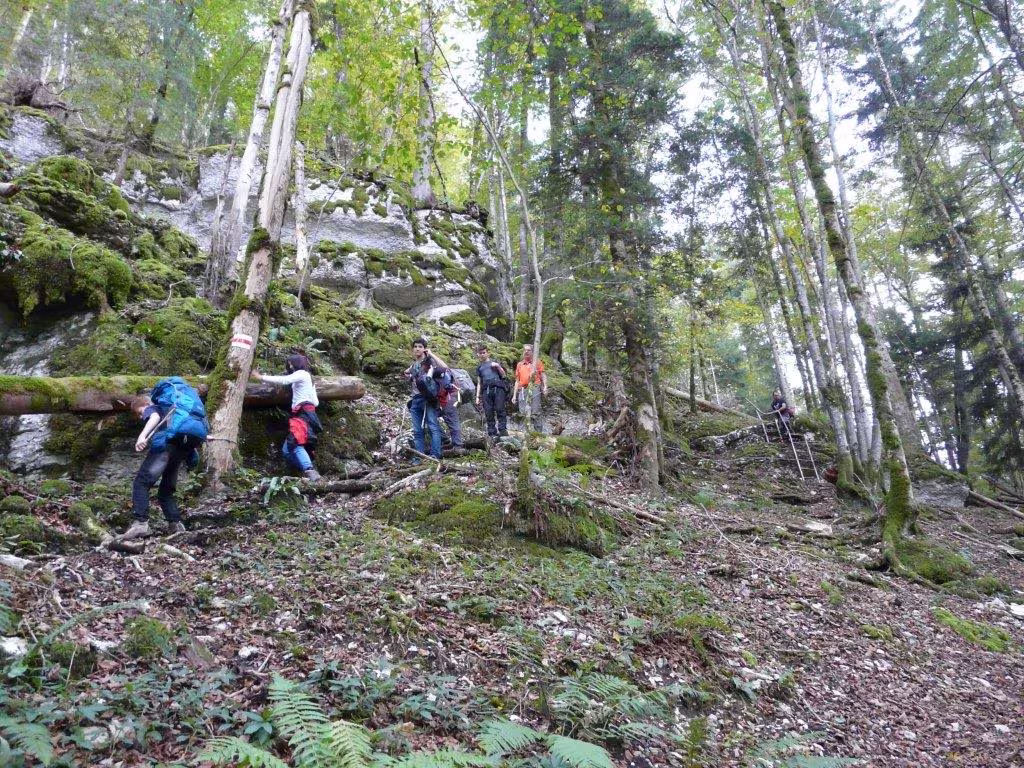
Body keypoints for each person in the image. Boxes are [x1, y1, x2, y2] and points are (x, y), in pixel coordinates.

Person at [122, 391, 204, 540]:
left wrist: (142, 436)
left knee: (141, 483)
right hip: (180, 450)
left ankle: (141, 524)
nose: (141, 417)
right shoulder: (175, 412)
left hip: (164, 448)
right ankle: (176, 525)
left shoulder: (154, 407)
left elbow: (154, 417)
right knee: (166, 491)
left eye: (140, 413)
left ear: (146, 403)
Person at [251, 354, 322, 481]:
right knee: (286, 451)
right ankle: (307, 472)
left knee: (295, 444)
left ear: (296, 363)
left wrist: (261, 377)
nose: (289, 366)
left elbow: (285, 380)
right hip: (307, 414)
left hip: (303, 414)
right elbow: (315, 402)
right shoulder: (308, 378)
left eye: (290, 363)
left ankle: (310, 471)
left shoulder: (302, 374)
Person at [405, 338, 443, 460]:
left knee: (432, 427)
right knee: (417, 430)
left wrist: (431, 354)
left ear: (424, 349)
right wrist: (408, 374)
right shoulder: (413, 365)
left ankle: (435, 455)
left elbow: (444, 367)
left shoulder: (429, 362)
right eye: (415, 346)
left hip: (427, 399)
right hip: (415, 399)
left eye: (420, 347)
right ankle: (418, 457)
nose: (417, 349)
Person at [474, 344, 509, 438]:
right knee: (488, 411)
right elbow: (479, 383)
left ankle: (502, 430)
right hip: (486, 390)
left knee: (500, 409)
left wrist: (498, 366)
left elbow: (504, 375)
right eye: (480, 353)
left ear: (488, 353)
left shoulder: (495, 363)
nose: (482, 355)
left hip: (498, 388)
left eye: (484, 353)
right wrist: (477, 397)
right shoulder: (479, 368)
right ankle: (492, 432)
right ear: (478, 354)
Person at [512, 344, 547, 433]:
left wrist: (545, 386)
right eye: (525, 350)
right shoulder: (520, 364)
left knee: (535, 411)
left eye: (528, 350)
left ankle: (538, 433)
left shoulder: (537, 363)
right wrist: (514, 395)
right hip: (522, 390)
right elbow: (517, 380)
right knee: (522, 411)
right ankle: (522, 432)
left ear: (532, 352)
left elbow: (543, 375)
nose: (526, 352)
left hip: (535, 387)